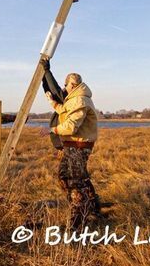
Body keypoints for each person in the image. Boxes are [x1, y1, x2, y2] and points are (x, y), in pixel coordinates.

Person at [39, 58, 101, 229]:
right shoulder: (75, 98)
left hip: (79, 146)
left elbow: (72, 126)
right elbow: (65, 111)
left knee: (75, 182)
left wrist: (52, 130)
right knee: (66, 178)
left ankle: (77, 223)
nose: (63, 89)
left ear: (71, 85)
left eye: (65, 86)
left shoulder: (80, 100)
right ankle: (92, 208)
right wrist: (53, 102)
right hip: (73, 146)